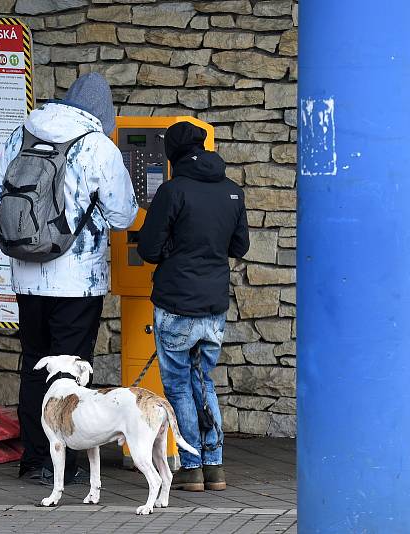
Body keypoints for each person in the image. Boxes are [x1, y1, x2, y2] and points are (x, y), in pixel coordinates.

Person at [0, 73, 138, 483]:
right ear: (103, 113)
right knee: (71, 372)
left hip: (26, 274)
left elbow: (0, 197)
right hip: (77, 280)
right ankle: (59, 466)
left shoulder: (21, 135)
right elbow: (123, 215)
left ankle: (33, 457)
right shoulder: (97, 147)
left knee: (34, 365)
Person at [137, 121, 249, 492]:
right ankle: (215, 466)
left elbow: (149, 249)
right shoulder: (232, 191)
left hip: (176, 303)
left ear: (172, 154)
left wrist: (174, 252)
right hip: (214, 303)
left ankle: (191, 468)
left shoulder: (173, 191)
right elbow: (239, 247)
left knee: (180, 387)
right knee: (205, 381)